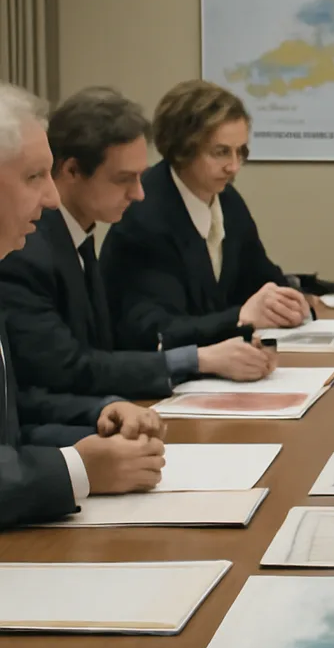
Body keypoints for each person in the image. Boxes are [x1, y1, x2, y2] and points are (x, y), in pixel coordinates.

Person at [0, 88, 275, 401]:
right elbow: (64, 369)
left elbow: (102, 351)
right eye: (124, 179)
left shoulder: (76, 234)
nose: (139, 194)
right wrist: (198, 359)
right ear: (72, 171)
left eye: (140, 177)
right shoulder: (24, 251)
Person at [0, 82, 165, 529]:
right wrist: (77, 469)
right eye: (34, 177)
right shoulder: (26, 257)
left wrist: (98, 414)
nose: (53, 198)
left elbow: (13, 423)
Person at [100, 79, 309, 350]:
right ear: (182, 149)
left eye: (240, 152)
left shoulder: (228, 201)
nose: (234, 167)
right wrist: (240, 317)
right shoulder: (145, 217)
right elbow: (157, 330)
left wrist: (287, 301)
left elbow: (260, 277)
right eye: (221, 152)